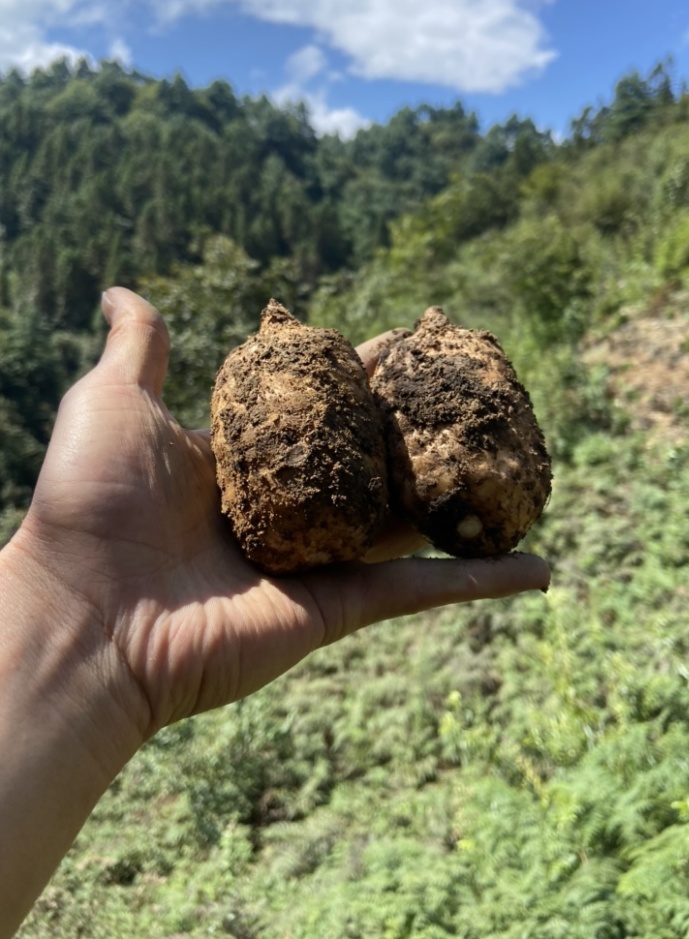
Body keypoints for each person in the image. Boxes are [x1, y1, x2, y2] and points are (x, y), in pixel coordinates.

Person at [0, 287, 550, 937]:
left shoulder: (332, 364)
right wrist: (70, 591)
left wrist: (68, 605)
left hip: (304, 534)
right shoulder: (281, 365)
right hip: (307, 530)